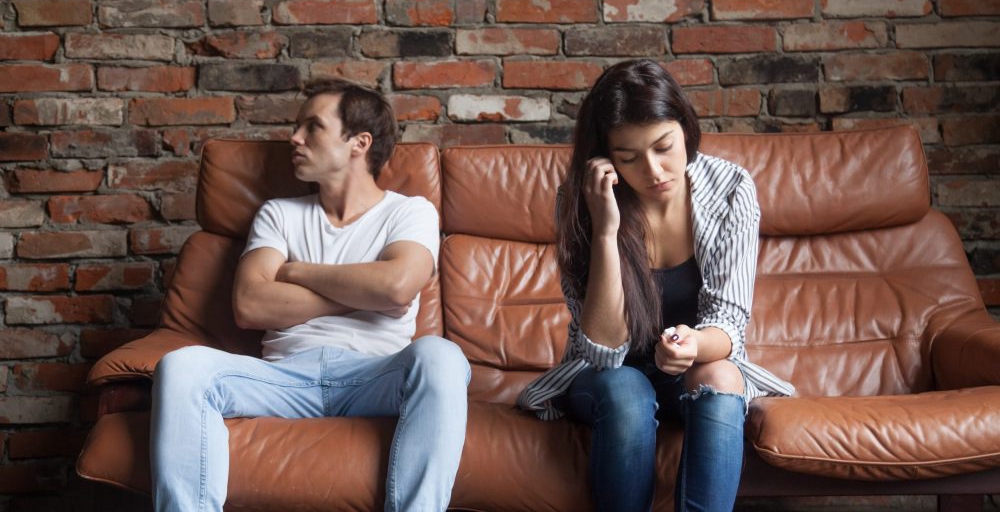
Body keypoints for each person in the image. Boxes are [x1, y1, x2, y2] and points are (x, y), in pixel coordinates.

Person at [150, 78, 470, 512]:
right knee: (182, 366)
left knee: (442, 358)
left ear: (359, 142)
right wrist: (368, 292)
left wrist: (297, 272)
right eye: (297, 127)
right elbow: (250, 305)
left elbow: (397, 285)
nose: (294, 138)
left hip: (374, 376)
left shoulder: (409, 211)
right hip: (283, 377)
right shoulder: (279, 213)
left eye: (312, 127)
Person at [517, 59, 794, 512]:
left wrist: (692, 345)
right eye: (628, 158)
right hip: (606, 379)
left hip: (692, 366)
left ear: (685, 127)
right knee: (627, 388)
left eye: (664, 146)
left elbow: (728, 330)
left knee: (721, 377)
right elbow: (603, 351)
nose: (654, 170)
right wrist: (606, 229)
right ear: (605, 157)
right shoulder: (582, 197)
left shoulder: (730, 189)